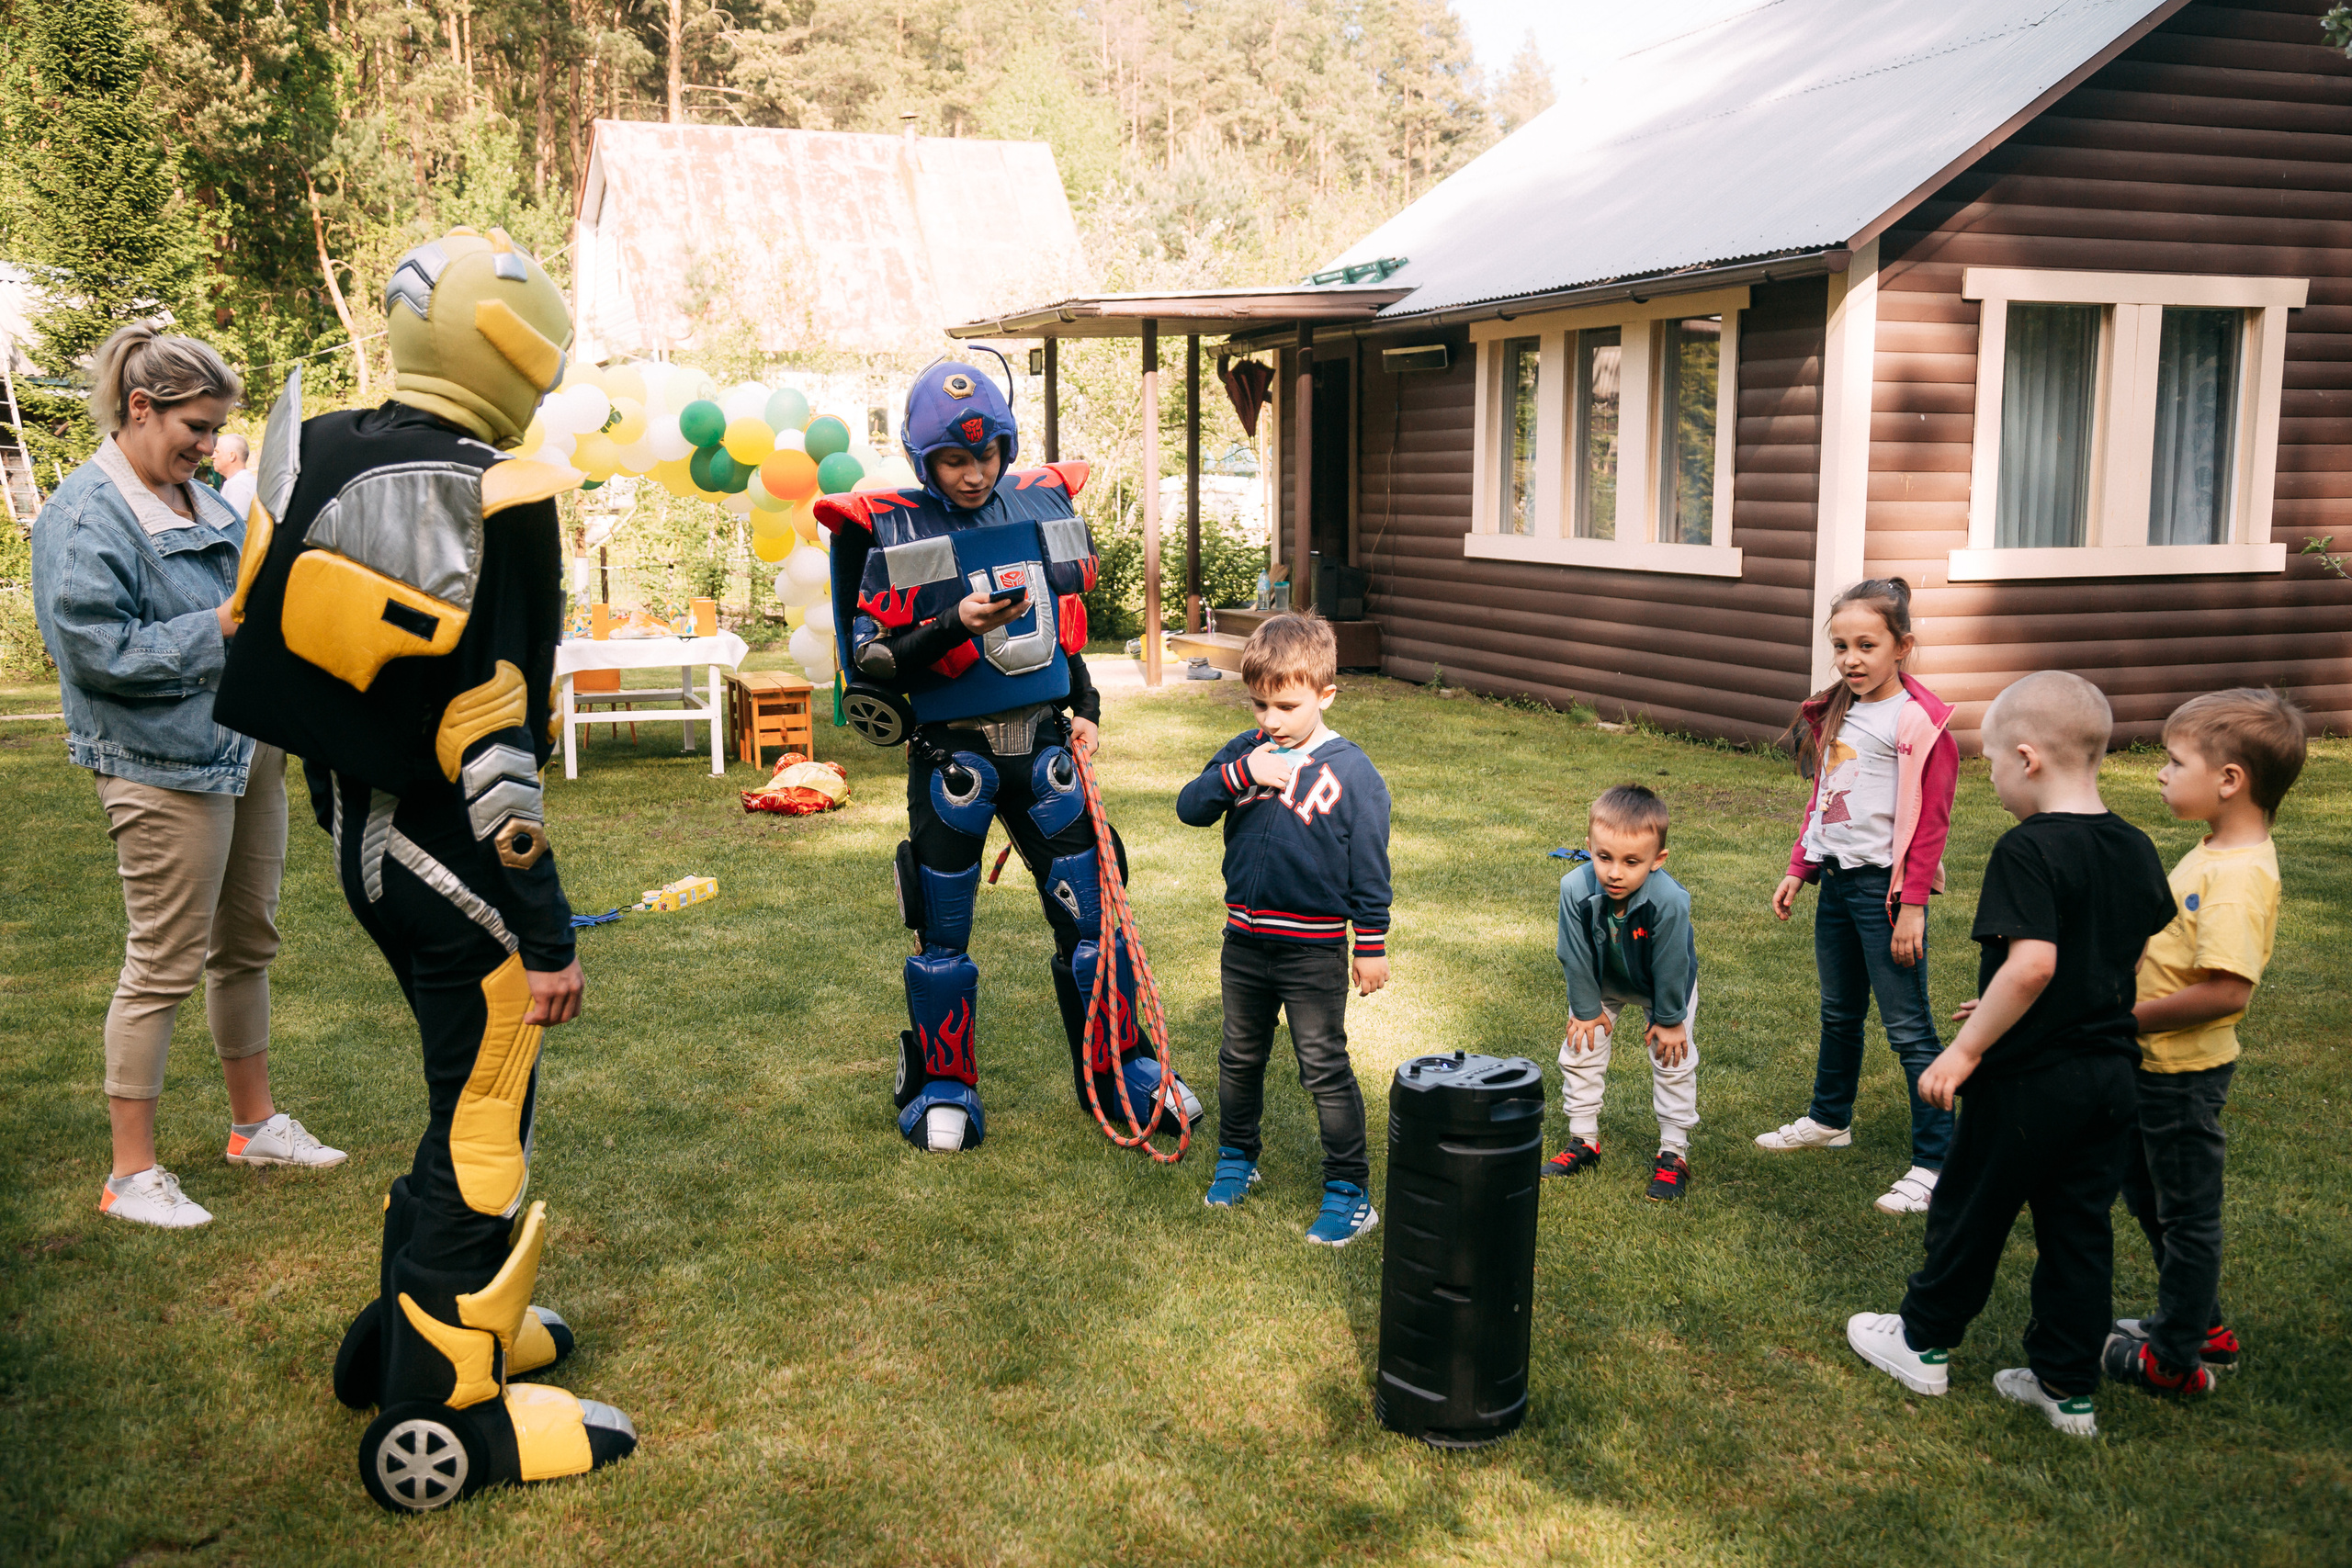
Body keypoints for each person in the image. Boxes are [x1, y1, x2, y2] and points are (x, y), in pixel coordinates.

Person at [214, 227, 633, 1511]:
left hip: (362, 835)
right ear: (519, 355)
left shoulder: (315, 447)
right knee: (486, 1121)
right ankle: (447, 1406)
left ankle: (418, 1317)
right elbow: (496, 749)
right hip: (454, 858)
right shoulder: (500, 494)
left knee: (462, 1096)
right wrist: (548, 931)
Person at [818, 359, 1199, 1154]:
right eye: (956, 459)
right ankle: (942, 1084)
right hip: (955, 757)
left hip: (1045, 750)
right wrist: (955, 620)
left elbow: (1065, 640)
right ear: (926, 460)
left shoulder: (1040, 504)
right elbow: (876, 662)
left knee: (1095, 919)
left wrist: (1086, 710)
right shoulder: (892, 527)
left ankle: (1121, 1065)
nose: (974, 471)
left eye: (987, 453)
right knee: (944, 934)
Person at [30, 323, 342, 1233]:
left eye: (215, 434)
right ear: (140, 408)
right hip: (159, 763)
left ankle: (254, 1127)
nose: (209, 450)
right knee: (161, 962)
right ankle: (132, 1175)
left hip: (242, 749)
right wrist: (220, 625)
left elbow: (249, 586)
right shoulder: (83, 515)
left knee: (247, 944)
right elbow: (94, 653)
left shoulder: (196, 497)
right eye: (196, 429)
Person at [1845, 671, 2176, 1438]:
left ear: (2027, 758)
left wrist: (1965, 1048)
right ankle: (2068, 1389)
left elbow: (2032, 966)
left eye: (1992, 763)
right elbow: (2111, 952)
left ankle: (1921, 1342)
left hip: (2029, 1082)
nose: (1991, 780)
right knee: (2078, 1228)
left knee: (1971, 1208)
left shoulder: (2028, 848)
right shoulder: (2133, 843)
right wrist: (2014, 1005)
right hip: (2110, 1079)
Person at [2105, 689, 2306, 1398]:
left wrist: (2120, 1021)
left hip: (2183, 1076)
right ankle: (2201, 1324)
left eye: (2174, 760)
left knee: (2186, 1215)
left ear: (2229, 779)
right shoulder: (2213, 849)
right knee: (2150, 1196)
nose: (2160, 772)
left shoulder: (2238, 877)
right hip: (2152, 1065)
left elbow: (2228, 991)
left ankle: (2175, 1360)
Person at [1178, 614, 1391, 1246]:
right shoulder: (1247, 751)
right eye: (1259, 703)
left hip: (1312, 948)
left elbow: (1370, 867)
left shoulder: (1353, 773)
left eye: (1286, 705)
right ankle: (1238, 1159)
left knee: (1323, 1066)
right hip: (1243, 941)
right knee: (1239, 1057)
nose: (1270, 718)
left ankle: (1349, 1192)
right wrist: (1241, 773)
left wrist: (1371, 945)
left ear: (1325, 694)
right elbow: (1191, 806)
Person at [1758, 578, 1960, 1216]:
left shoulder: (1917, 722)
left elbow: (1931, 821)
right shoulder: (1840, 709)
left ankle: (1935, 1160)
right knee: (1839, 1012)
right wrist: (1800, 866)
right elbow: (1825, 799)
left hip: (1886, 892)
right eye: (1841, 645)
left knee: (1908, 1028)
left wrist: (1914, 904)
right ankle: (1830, 1118)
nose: (1850, 658)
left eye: (1866, 644)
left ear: (1901, 646)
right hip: (1839, 884)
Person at [1542, 784, 1699, 1202]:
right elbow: (1573, 954)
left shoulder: (1670, 901)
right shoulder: (1574, 887)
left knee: (1673, 1060)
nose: (1614, 872)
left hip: (1661, 985)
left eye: (1632, 862)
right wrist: (1586, 1009)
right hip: (1602, 979)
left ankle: (1673, 1152)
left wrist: (1669, 1020)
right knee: (1580, 1047)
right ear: (1589, 846)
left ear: (1657, 860)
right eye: (1604, 857)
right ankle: (1584, 1140)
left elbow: (1671, 964)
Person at [213, 430, 255, 520]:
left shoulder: (239, 485)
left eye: (217, 451)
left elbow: (238, 527)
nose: (212, 456)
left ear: (231, 456)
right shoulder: (240, 481)